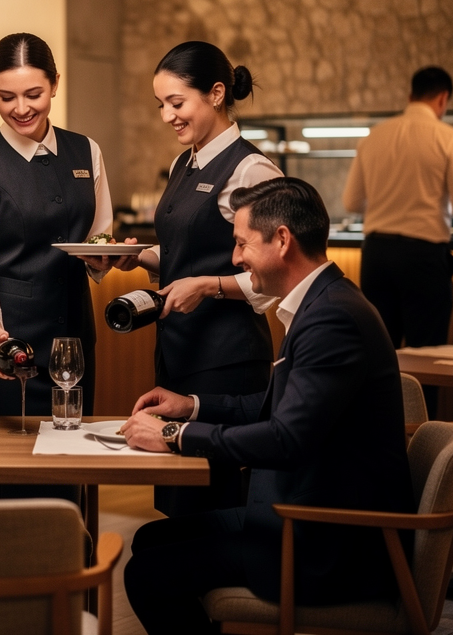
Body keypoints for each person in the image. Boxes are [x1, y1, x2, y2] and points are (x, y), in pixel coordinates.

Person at [121, 177, 414, 635]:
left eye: (241, 243)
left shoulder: (333, 317)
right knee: (152, 538)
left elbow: (286, 439)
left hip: (327, 540)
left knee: (147, 573)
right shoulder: (325, 301)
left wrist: (173, 439)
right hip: (305, 512)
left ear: (282, 240)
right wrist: (190, 407)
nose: (235, 258)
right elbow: (274, 406)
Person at [119, 41, 282, 517]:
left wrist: (211, 285)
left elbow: (275, 276)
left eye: (176, 103)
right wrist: (137, 258)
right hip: (178, 349)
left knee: (212, 502)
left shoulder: (252, 169)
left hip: (227, 360)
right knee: (177, 503)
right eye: (161, 106)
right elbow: (183, 253)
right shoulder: (183, 163)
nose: (167, 115)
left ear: (215, 94)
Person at [0, 32, 114, 419]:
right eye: (7, 97)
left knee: (68, 467)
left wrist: (102, 259)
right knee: (3, 473)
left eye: (33, 94)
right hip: (5, 350)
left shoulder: (86, 151)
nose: (21, 108)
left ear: (55, 84)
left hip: (73, 347)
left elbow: (96, 240)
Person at [343, 66, 453, 350]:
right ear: (443, 98)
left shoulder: (373, 136)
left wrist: (386, 202)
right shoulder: (450, 138)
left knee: (380, 354)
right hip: (422, 259)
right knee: (426, 357)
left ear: (411, 95)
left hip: (376, 256)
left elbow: (351, 202)